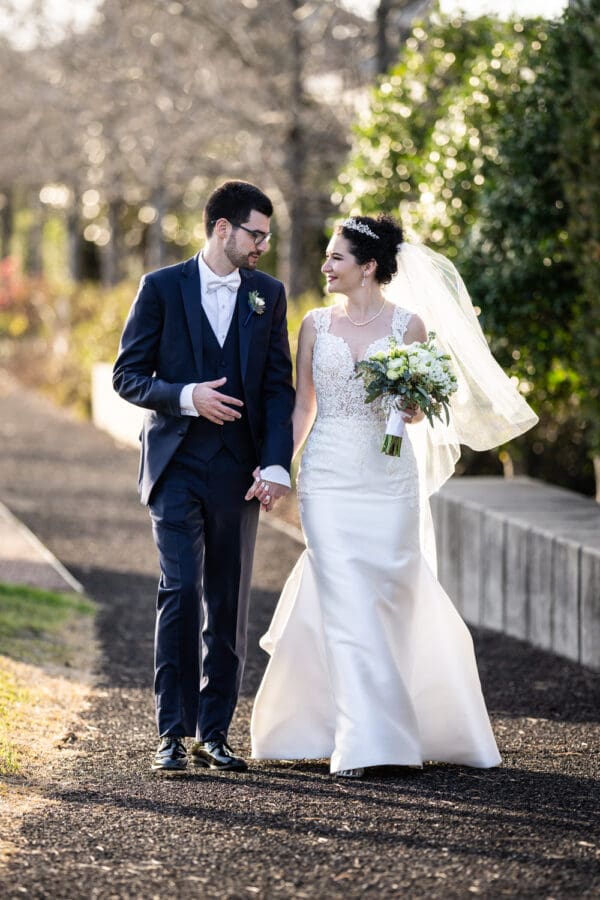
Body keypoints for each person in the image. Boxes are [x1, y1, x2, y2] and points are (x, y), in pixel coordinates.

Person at [250, 213, 538, 778]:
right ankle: (368, 740)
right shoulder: (314, 324)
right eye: (327, 256)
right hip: (329, 476)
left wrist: (413, 409)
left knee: (390, 592)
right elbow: (303, 404)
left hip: (388, 478)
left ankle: (410, 720)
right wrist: (278, 466)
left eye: (337, 258)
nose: (326, 265)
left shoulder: (410, 327)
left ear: (369, 267)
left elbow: (426, 410)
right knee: (345, 597)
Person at [113, 180, 295, 772]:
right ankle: (171, 731)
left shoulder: (268, 294)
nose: (262, 246)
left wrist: (273, 464)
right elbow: (128, 376)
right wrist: (187, 395)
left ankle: (214, 734)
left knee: (229, 600)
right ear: (223, 229)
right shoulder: (161, 288)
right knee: (182, 590)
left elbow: (275, 389)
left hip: (239, 473)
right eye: (256, 234)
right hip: (177, 466)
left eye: (266, 236)